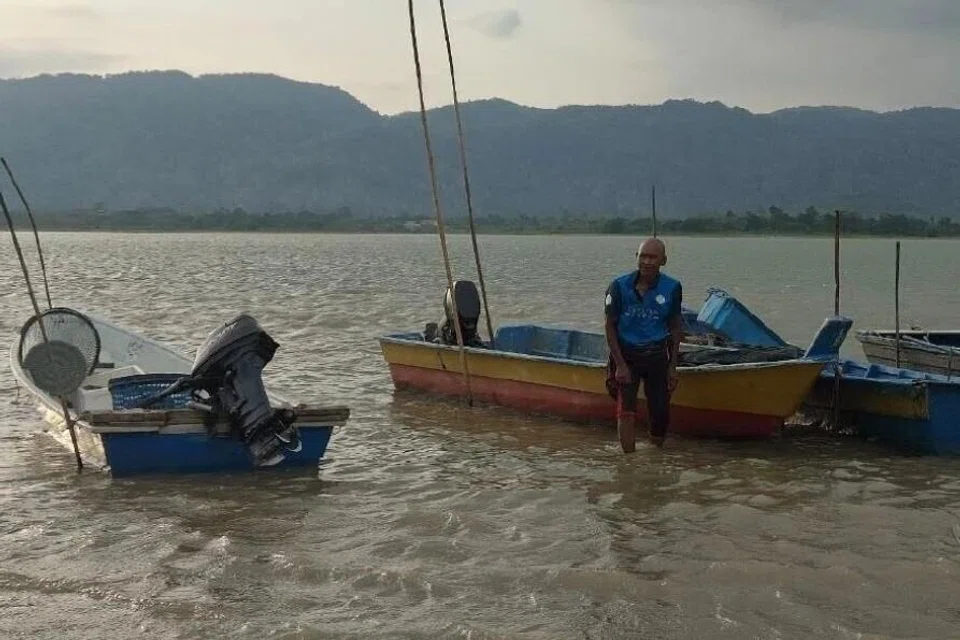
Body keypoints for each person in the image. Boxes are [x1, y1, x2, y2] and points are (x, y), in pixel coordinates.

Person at [603, 237, 683, 451]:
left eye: (652, 257)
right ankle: (628, 460)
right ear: (636, 257)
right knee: (626, 410)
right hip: (626, 355)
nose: (647, 262)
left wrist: (673, 367)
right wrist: (620, 365)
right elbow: (609, 326)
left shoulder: (672, 288)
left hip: (657, 355)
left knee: (660, 411)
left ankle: (655, 454)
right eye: (643, 256)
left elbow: (675, 328)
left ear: (663, 261)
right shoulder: (618, 286)